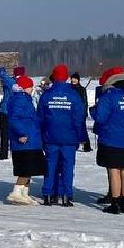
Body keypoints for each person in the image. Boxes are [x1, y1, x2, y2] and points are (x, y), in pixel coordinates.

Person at [92, 67, 124, 213]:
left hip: (110, 138)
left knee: (113, 170)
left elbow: (100, 118)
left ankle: (115, 204)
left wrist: (93, 110)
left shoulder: (108, 97)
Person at [38, 64, 87, 205]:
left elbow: (40, 117)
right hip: (69, 138)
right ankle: (66, 195)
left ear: (53, 77)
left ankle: (48, 194)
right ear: (66, 77)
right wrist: (81, 136)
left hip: (50, 137)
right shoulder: (73, 95)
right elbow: (79, 118)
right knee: (67, 167)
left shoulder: (46, 95)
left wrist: (41, 135)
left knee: (50, 165)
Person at [2, 74, 44, 205]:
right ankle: (16, 192)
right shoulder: (20, 99)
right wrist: (22, 133)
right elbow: (14, 119)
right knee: (26, 168)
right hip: (25, 141)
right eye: (30, 87)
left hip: (31, 139)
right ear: (24, 87)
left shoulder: (25, 99)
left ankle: (24, 193)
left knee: (30, 169)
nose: (32, 89)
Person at [69, 72, 92, 152]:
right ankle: (74, 145)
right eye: (72, 78)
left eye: (75, 79)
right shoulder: (69, 88)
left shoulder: (82, 89)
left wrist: (84, 112)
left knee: (82, 129)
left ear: (78, 80)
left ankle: (86, 146)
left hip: (80, 113)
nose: (74, 80)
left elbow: (85, 102)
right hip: (71, 112)